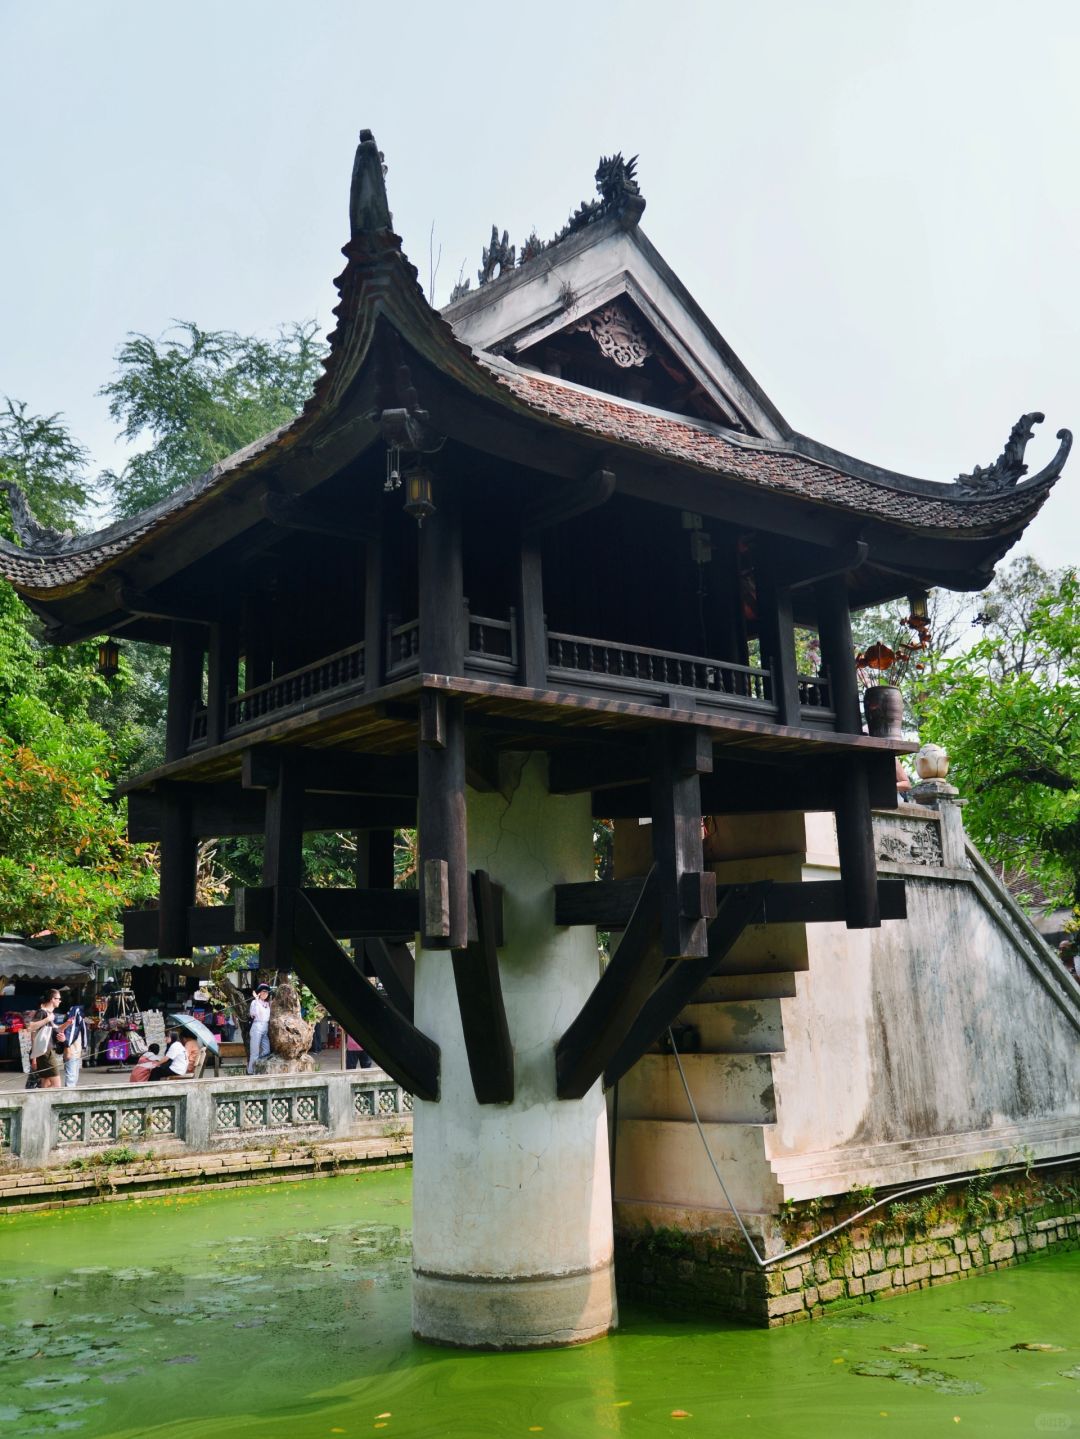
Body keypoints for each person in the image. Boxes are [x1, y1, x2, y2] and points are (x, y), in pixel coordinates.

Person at [26, 990, 63, 1089]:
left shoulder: (49, 1013)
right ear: (52, 999)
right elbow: (31, 1027)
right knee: (57, 1085)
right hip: (45, 1053)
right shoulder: (43, 1012)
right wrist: (47, 1019)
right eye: (58, 999)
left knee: (45, 1083)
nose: (60, 1001)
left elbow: (54, 1032)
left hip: (46, 1051)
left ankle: (41, 1103)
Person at [57, 1003, 88, 1088]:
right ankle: (69, 1097)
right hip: (71, 1052)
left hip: (76, 1052)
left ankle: (71, 1096)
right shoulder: (72, 1022)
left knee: (73, 1077)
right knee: (71, 1077)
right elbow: (69, 1038)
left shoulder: (77, 1021)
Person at [247, 983, 271, 1074]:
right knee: (254, 1053)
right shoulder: (254, 1002)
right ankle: (251, 1072)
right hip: (257, 1027)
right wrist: (256, 999)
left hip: (265, 1027)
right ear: (259, 993)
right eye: (263, 991)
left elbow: (267, 1016)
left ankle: (258, 1066)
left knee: (267, 1050)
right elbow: (256, 1013)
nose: (265, 994)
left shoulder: (267, 1004)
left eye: (267, 992)